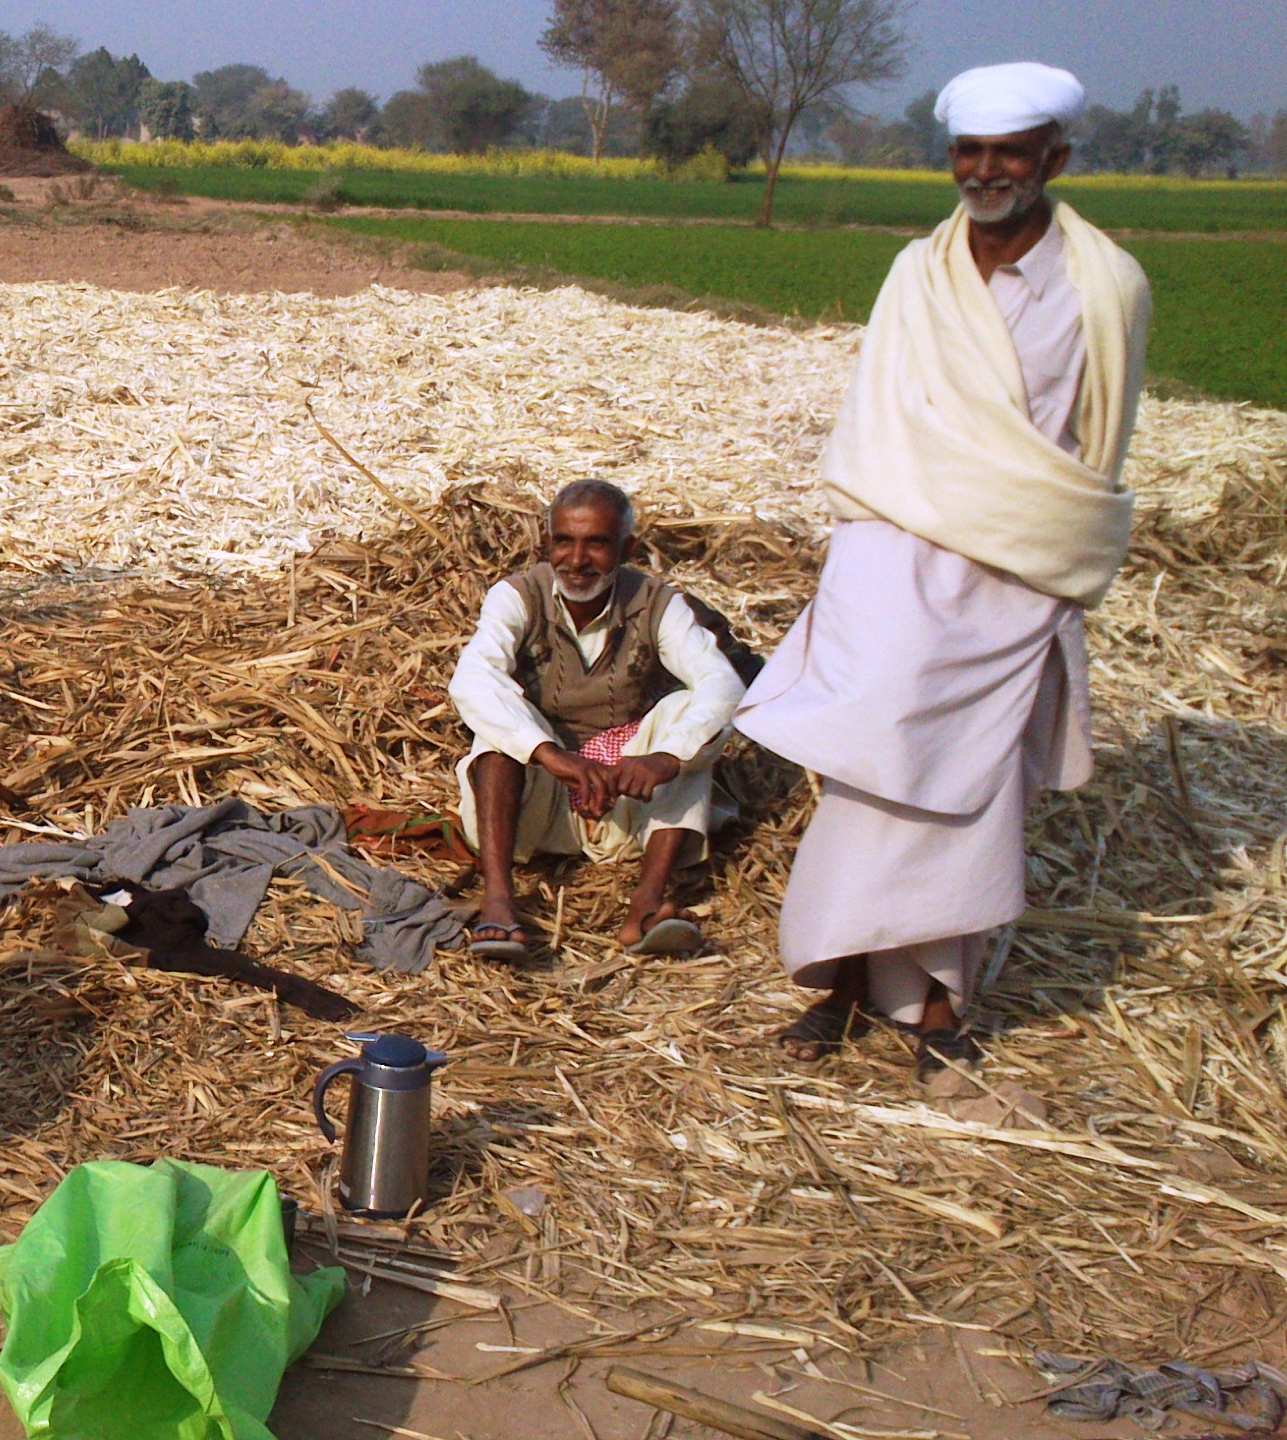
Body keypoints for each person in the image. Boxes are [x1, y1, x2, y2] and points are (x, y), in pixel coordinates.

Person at [734, 63, 1150, 1080]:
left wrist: (1052, 559)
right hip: (895, 564)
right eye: (970, 152)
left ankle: (938, 1007)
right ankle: (836, 980)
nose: (986, 170)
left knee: (973, 791)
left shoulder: (1107, 287)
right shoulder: (915, 275)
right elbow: (875, 429)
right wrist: (859, 571)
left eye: (1010, 152)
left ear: (1053, 158)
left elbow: (1096, 448)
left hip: (1010, 577)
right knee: (868, 771)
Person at [447, 480, 748, 962]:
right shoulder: (518, 597)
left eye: (597, 543)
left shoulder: (656, 603)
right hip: (532, 807)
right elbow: (473, 680)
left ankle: (646, 905)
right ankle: (499, 901)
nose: (577, 559)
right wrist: (552, 755)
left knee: (685, 715)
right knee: (497, 725)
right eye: (564, 541)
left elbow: (723, 686)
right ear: (546, 545)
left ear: (626, 549)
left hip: (623, 804)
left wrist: (665, 759)